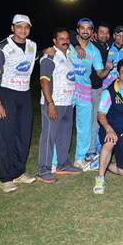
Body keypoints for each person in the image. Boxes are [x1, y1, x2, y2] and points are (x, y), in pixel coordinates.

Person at [0, 14, 38, 192]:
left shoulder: (32, 46)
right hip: (6, 93)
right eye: (19, 26)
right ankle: (5, 177)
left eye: (26, 27)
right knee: (6, 136)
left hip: (24, 95)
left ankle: (18, 172)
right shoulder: (1, 48)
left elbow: (36, 59)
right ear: (12, 28)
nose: (23, 30)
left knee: (23, 135)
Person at [37, 28, 81, 184]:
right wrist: (50, 103)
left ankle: (63, 165)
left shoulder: (67, 56)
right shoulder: (49, 56)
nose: (65, 40)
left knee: (64, 137)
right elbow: (44, 81)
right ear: (54, 41)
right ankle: (43, 170)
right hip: (53, 104)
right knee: (48, 137)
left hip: (68, 103)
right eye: (61, 38)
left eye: (67, 38)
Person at [68, 18, 114, 169]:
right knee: (64, 126)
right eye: (83, 28)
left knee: (85, 126)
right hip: (67, 91)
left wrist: (108, 68)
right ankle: (55, 161)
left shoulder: (94, 51)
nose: (85, 31)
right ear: (78, 30)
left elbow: (100, 73)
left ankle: (80, 158)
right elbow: (58, 42)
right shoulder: (68, 44)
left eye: (89, 28)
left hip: (85, 92)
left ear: (92, 32)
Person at [93, 59, 123, 194]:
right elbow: (101, 114)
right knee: (110, 141)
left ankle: (102, 163)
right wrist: (109, 129)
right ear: (118, 74)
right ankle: (100, 178)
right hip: (110, 130)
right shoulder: (110, 92)